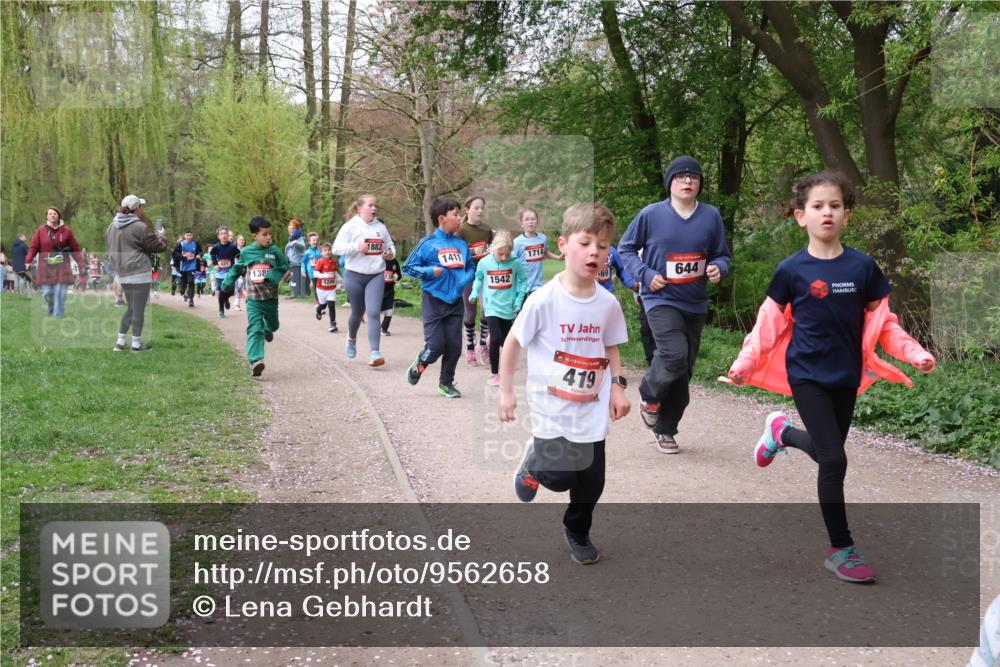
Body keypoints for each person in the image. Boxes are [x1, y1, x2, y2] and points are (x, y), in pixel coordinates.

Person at [727, 171, 935, 584]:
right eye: (818, 206)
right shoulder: (791, 270)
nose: (827, 212)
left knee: (827, 453)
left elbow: (884, 323)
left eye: (835, 205)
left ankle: (782, 434)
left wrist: (914, 352)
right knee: (835, 459)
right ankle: (841, 549)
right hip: (806, 375)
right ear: (800, 216)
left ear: (847, 215)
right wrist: (745, 364)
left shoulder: (862, 267)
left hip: (846, 377)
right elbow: (767, 323)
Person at [499, 203, 630, 565]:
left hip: (591, 406)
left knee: (592, 482)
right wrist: (506, 390)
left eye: (603, 247)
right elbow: (512, 342)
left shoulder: (607, 304)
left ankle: (577, 529)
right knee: (558, 477)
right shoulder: (543, 300)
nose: (595, 252)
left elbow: (611, 345)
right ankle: (533, 464)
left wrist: (617, 385)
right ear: (563, 244)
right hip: (551, 407)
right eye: (586, 243)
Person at [618, 155, 731, 454]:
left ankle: (665, 430)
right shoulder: (651, 215)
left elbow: (722, 254)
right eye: (680, 176)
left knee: (683, 372)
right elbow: (625, 248)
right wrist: (645, 274)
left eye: (693, 177)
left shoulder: (711, 216)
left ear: (699, 184)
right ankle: (648, 393)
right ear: (670, 183)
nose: (687, 181)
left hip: (694, 302)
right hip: (660, 298)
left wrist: (719, 268)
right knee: (672, 353)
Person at [402, 196, 475, 398]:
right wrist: (430, 272)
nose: (460, 218)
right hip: (433, 300)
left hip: (455, 302)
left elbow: (471, 267)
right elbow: (408, 267)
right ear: (442, 218)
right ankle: (420, 363)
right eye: (456, 214)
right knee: (436, 346)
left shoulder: (461, 244)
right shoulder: (428, 243)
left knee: (454, 347)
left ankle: (446, 384)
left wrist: (464, 279)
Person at [220, 217, 290, 377]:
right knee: (254, 328)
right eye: (264, 234)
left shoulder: (274, 251)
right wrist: (226, 284)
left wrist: (272, 276)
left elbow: (284, 265)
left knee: (273, 326)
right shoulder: (246, 252)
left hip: (270, 298)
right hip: (253, 298)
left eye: (269, 234)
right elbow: (237, 269)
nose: (268, 237)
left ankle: (268, 328)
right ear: (254, 236)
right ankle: (256, 361)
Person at [331, 194, 396, 367]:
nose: (374, 208)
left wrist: (390, 253)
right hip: (354, 275)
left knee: (374, 312)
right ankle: (352, 338)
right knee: (358, 313)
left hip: (376, 274)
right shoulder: (350, 226)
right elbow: (336, 248)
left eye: (375, 205)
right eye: (370, 205)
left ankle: (375, 352)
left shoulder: (381, 228)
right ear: (360, 208)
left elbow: (390, 246)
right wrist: (355, 247)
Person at [106, 194, 168, 352]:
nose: (142, 210)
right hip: (139, 271)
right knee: (138, 308)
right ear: (136, 209)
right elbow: (157, 247)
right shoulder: (140, 226)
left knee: (132, 307)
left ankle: (120, 342)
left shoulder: (111, 226)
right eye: (141, 207)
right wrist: (161, 236)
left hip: (123, 272)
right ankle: (136, 344)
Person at [469, 230, 527, 386]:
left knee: (507, 342)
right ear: (493, 249)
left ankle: (505, 369)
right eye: (500, 254)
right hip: (492, 306)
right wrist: (474, 293)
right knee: (496, 339)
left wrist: (518, 302)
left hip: (509, 306)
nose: (504, 258)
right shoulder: (485, 262)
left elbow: (523, 282)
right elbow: (479, 278)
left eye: (507, 254)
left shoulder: (515, 263)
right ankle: (494, 374)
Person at [25, 206, 85, 318]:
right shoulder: (40, 230)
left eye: (55, 214)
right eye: (50, 214)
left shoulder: (67, 231)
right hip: (45, 267)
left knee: (60, 293)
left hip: (62, 266)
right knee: (47, 292)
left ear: (59, 216)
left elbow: (75, 248)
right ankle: (52, 306)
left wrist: (80, 263)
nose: (53, 215)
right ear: (47, 216)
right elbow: (33, 247)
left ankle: (58, 316)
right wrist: (28, 260)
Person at [456, 196, 493, 366]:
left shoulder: (487, 229)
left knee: (487, 309)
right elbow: (458, 255)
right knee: (470, 312)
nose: (480, 211)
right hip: (468, 274)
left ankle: (483, 344)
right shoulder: (462, 230)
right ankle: (470, 345)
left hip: (485, 275)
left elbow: (492, 252)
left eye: (481, 208)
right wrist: (472, 252)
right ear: (467, 210)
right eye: (476, 208)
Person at [512, 207, 562, 300]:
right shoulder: (517, 242)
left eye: (533, 219)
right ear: (521, 223)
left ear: (537, 221)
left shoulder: (542, 238)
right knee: (521, 313)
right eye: (527, 219)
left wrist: (558, 258)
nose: (530, 222)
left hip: (537, 285)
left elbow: (545, 253)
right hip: (521, 286)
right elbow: (512, 262)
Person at [210, 226, 240, 318]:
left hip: (230, 273)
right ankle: (221, 309)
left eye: (225, 233)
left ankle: (226, 299)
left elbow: (239, 255)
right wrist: (215, 264)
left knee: (231, 291)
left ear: (228, 235)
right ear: (218, 236)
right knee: (222, 291)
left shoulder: (232, 247)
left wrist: (238, 264)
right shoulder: (216, 247)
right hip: (219, 273)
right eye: (221, 234)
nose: (223, 235)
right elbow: (213, 255)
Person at [313, 242, 340, 332]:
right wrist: (326, 276)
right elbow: (315, 273)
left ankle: (333, 324)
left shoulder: (334, 262)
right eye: (325, 250)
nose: (327, 252)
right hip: (321, 288)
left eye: (329, 250)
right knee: (323, 306)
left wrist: (342, 281)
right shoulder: (320, 261)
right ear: (321, 253)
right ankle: (318, 310)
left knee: (331, 305)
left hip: (331, 288)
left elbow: (335, 273)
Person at [172, 229, 201, 307]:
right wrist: (184, 257)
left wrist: (199, 255)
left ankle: (191, 300)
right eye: (187, 235)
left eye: (190, 235)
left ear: (192, 236)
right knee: (183, 282)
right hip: (182, 266)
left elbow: (201, 252)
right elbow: (174, 253)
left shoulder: (195, 243)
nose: (189, 237)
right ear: (184, 236)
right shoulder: (180, 244)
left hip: (192, 265)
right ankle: (182, 288)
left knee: (191, 281)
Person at [285, 219, 307, 298]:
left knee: (296, 278)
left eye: (292, 229)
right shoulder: (290, 240)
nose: (290, 231)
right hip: (291, 262)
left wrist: (296, 242)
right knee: (292, 278)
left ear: (295, 230)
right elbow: (288, 251)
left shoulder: (299, 238)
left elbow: (303, 247)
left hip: (298, 261)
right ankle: (294, 292)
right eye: (289, 229)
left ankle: (297, 294)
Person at [380, 256, 401, 336]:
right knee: (376, 310)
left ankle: (384, 329)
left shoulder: (394, 262)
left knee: (389, 310)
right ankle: (374, 328)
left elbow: (399, 275)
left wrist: (396, 277)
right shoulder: (378, 259)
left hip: (390, 290)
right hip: (378, 290)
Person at [303, 231, 322, 300]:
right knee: (316, 288)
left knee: (322, 288)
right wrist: (303, 271)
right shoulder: (307, 252)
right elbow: (303, 262)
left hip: (321, 272)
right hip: (312, 273)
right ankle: (318, 303)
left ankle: (322, 302)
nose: (315, 242)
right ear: (310, 242)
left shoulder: (320, 251)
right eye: (314, 240)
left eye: (317, 240)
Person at [234, 234, 247, 310]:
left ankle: (250, 304)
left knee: (247, 286)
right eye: (240, 240)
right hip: (237, 271)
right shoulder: (234, 250)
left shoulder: (246, 250)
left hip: (246, 270)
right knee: (240, 283)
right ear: (237, 241)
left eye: (243, 240)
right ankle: (237, 304)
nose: (242, 241)